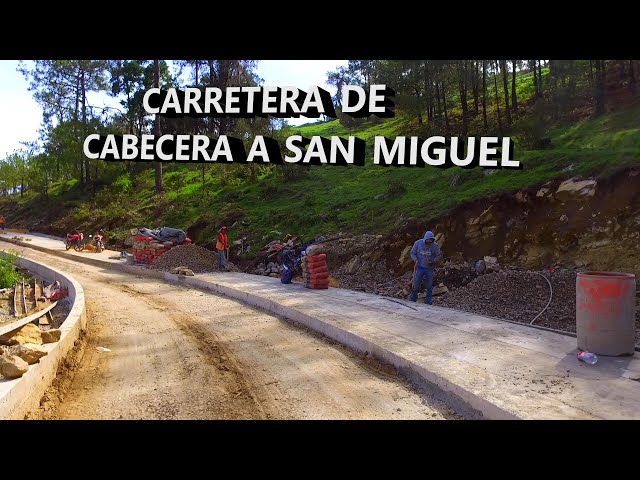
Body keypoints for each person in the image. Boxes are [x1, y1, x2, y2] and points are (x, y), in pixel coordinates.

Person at [409, 230, 442, 305]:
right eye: (428, 240)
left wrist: (433, 261)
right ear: (425, 239)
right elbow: (412, 253)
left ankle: (428, 302)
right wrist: (415, 260)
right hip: (419, 267)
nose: (429, 242)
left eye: (431, 240)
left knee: (429, 285)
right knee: (416, 284)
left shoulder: (435, 246)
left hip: (429, 268)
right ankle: (413, 299)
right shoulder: (417, 243)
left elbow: (438, 255)